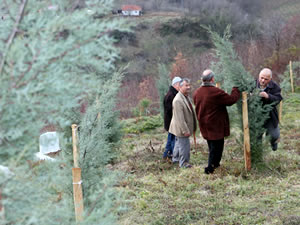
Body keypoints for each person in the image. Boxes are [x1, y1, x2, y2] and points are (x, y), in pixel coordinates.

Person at [193, 69, 240, 174]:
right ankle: (210, 169)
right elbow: (231, 100)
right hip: (215, 126)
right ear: (212, 79)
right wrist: (236, 88)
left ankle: (215, 166)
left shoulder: (197, 92)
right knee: (216, 148)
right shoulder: (215, 92)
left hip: (204, 125)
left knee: (212, 147)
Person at [169, 78, 197, 168]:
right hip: (181, 127)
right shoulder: (178, 100)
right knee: (184, 145)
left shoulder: (186, 97)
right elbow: (180, 118)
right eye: (186, 86)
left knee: (178, 143)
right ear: (180, 87)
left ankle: (176, 159)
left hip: (179, 127)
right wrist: (185, 130)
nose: (188, 87)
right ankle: (184, 163)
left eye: (189, 85)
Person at [256, 68, 282, 151]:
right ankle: (258, 153)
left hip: (270, 115)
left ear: (270, 79)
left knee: (274, 135)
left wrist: (268, 96)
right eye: (261, 78)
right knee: (256, 136)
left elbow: (278, 98)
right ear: (259, 76)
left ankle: (273, 142)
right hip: (256, 115)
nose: (263, 80)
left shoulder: (275, 86)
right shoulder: (252, 84)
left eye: (266, 79)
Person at [162, 76, 182, 160]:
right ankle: (172, 155)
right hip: (171, 122)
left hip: (171, 122)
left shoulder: (173, 94)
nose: (181, 86)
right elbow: (170, 110)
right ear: (176, 84)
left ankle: (167, 155)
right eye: (180, 84)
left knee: (171, 138)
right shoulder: (171, 95)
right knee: (173, 139)